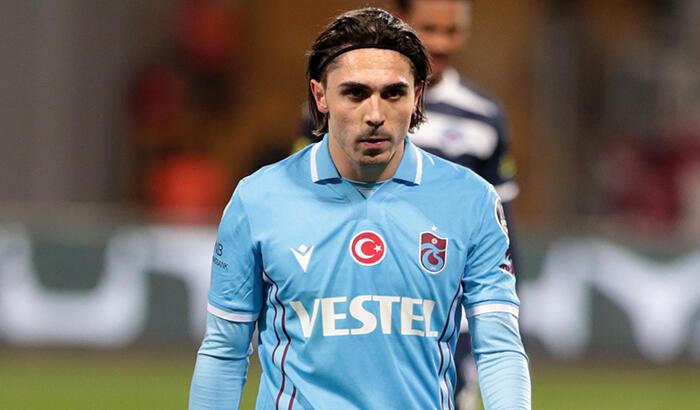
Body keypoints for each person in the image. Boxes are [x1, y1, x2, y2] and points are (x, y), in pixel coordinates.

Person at [189, 7, 530, 410]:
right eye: (355, 93)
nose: (375, 115)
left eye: (393, 93)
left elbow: (499, 348)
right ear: (320, 96)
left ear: (418, 95)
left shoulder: (472, 201)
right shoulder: (258, 199)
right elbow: (225, 351)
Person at [292, 2, 521, 408]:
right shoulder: (339, 107)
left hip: (443, 307)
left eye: (452, 31)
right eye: (429, 28)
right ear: (402, 26)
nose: (441, 43)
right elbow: (300, 199)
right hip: (351, 303)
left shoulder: (484, 116)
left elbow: (500, 224)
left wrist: (503, 303)